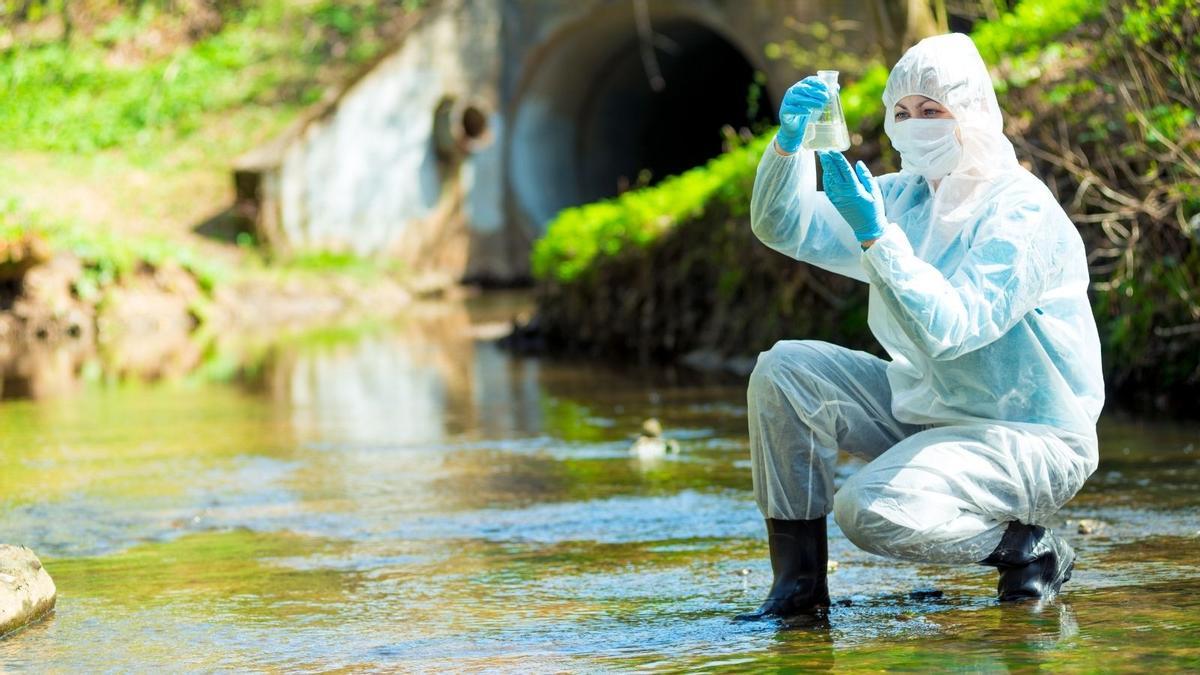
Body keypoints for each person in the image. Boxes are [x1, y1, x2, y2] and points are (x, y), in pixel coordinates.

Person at [736, 32, 1104, 621]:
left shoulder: (1020, 211)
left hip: (1028, 438)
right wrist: (788, 148)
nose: (914, 126)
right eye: (902, 113)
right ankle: (798, 590)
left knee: (869, 510)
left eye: (932, 111)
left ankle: (1027, 550)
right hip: (929, 410)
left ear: (972, 112)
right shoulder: (904, 198)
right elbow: (785, 225)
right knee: (785, 372)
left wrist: (876, 238)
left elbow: (952, 328)